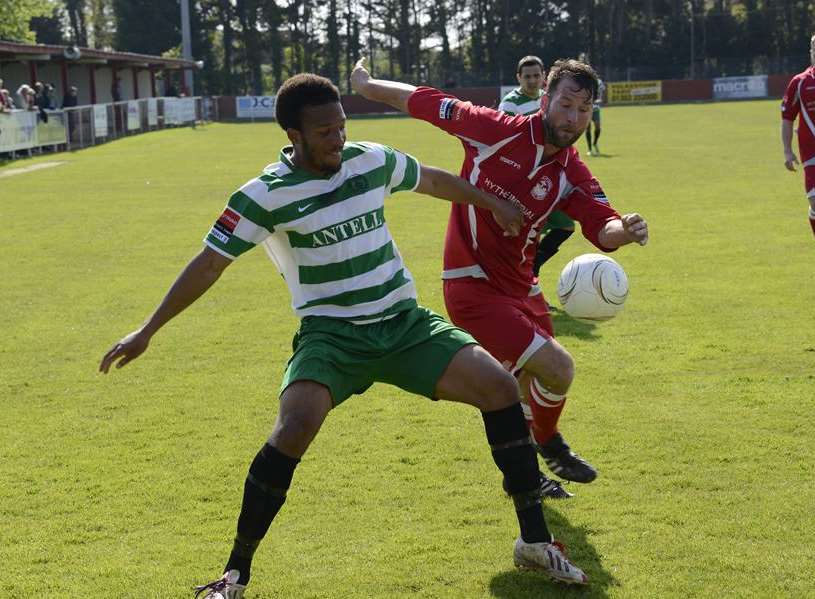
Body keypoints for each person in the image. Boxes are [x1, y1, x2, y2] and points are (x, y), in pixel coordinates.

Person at [99, 73, 589, 598]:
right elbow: (208, 264)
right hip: (332, 336)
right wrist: (147, 330)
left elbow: (432, 180)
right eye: (325, 132)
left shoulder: (369, 159)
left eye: (341, 126)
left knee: (500, 389)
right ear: (294, 135)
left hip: (404, 323)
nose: (338, 139)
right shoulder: (263, 195)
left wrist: (492, 202)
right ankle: (233, 575)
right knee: (294, 426)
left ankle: (535, 543)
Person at [351, 58, 649, 492]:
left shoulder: (572, 173)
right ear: (544, 99)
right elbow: (426, 102)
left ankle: (527, 475)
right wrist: (366, 85)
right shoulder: (497, 129)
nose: (573, 118)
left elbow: (601, 224)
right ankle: (549, 446)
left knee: (534, 382)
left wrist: (626, 230)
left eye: (584, 110)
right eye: (565, 104)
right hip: (472, 285)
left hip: (522, 287)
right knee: (558, 369)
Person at [498, 55, 578, 279]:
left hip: (547, 178)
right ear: (518, 78)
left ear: (544, 76)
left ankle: (530, 274)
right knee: (526, 237)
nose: (532, 80)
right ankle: (524, 283)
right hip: (522, 180)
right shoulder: (510, 104)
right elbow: (506, 142)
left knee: (565, 227)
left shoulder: (548, 99)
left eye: (536, 75)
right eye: (527, 76)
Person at [781, 33, 815, 240]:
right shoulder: (800, 82)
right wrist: (787, 151)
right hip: (812, 153)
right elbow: (787, 118)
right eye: (814, 47)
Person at [585, 78, 605, 156]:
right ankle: (589, 149)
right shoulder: (586, 82)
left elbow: (602, 93)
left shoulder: (599, 82)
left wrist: (600, 100)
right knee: (588, 128)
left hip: (596, 109)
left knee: (598, 127)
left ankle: (595, 143)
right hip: (587, 109)